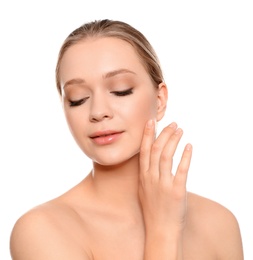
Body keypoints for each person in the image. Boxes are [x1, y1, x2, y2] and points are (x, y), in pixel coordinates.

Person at [10, 19, 244, 259]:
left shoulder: (219, 223)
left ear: (160, 100)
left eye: (121, 90)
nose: (98, 111)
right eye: (78, 98)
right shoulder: (42, 230)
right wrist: (163, 230)